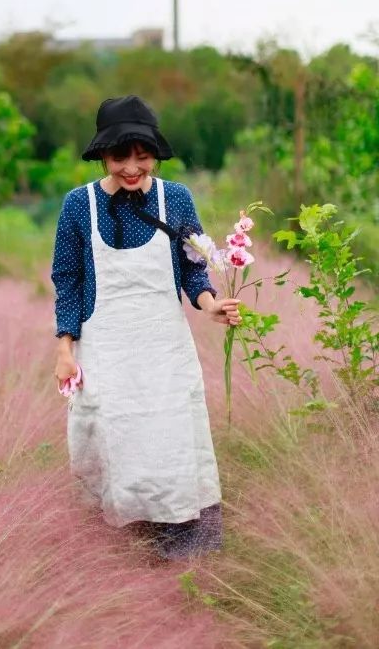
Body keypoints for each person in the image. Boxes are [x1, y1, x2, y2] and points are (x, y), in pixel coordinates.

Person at [51, 94, 238, 560]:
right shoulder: (79, 206)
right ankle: (121, 546)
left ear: (155, 153)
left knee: (172, 436)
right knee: (112, 436)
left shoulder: (176, 198)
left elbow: (193, 268)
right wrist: (64, 349)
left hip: (164, 349)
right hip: (106, 350)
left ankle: (183, 545)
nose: (133, 167)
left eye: (143, 155)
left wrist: (210, 304)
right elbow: (68, 281)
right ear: (102, 155)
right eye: (120, 157)